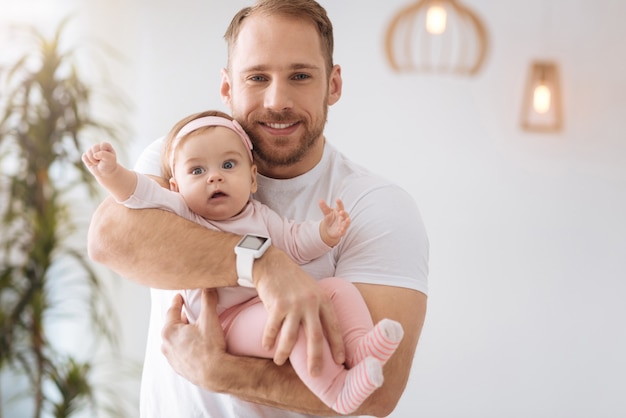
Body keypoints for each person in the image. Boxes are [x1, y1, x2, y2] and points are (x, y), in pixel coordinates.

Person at [87, 0, 429, 417]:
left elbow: (376, 397)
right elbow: (110, 240)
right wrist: (263, 264)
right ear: (228, 86)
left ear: (333, 85)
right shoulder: (179, 158)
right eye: (257, 77)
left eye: (300, 76)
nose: (277, 100)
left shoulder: (376, 206)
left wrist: (220, 372)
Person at [82, 110, 405, 414]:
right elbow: (136, 193)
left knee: (337, 289)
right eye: (198, 170)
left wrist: (325, 232)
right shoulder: (181, 210)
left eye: (228, 165)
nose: (214, 178)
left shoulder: (261, 216)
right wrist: (111, 172)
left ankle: (359, 346)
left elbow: (295, 242)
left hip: (257, 307)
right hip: (224, 323)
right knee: (290, 321)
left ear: (252, 180)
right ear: (176, 187)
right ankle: (336, 389)